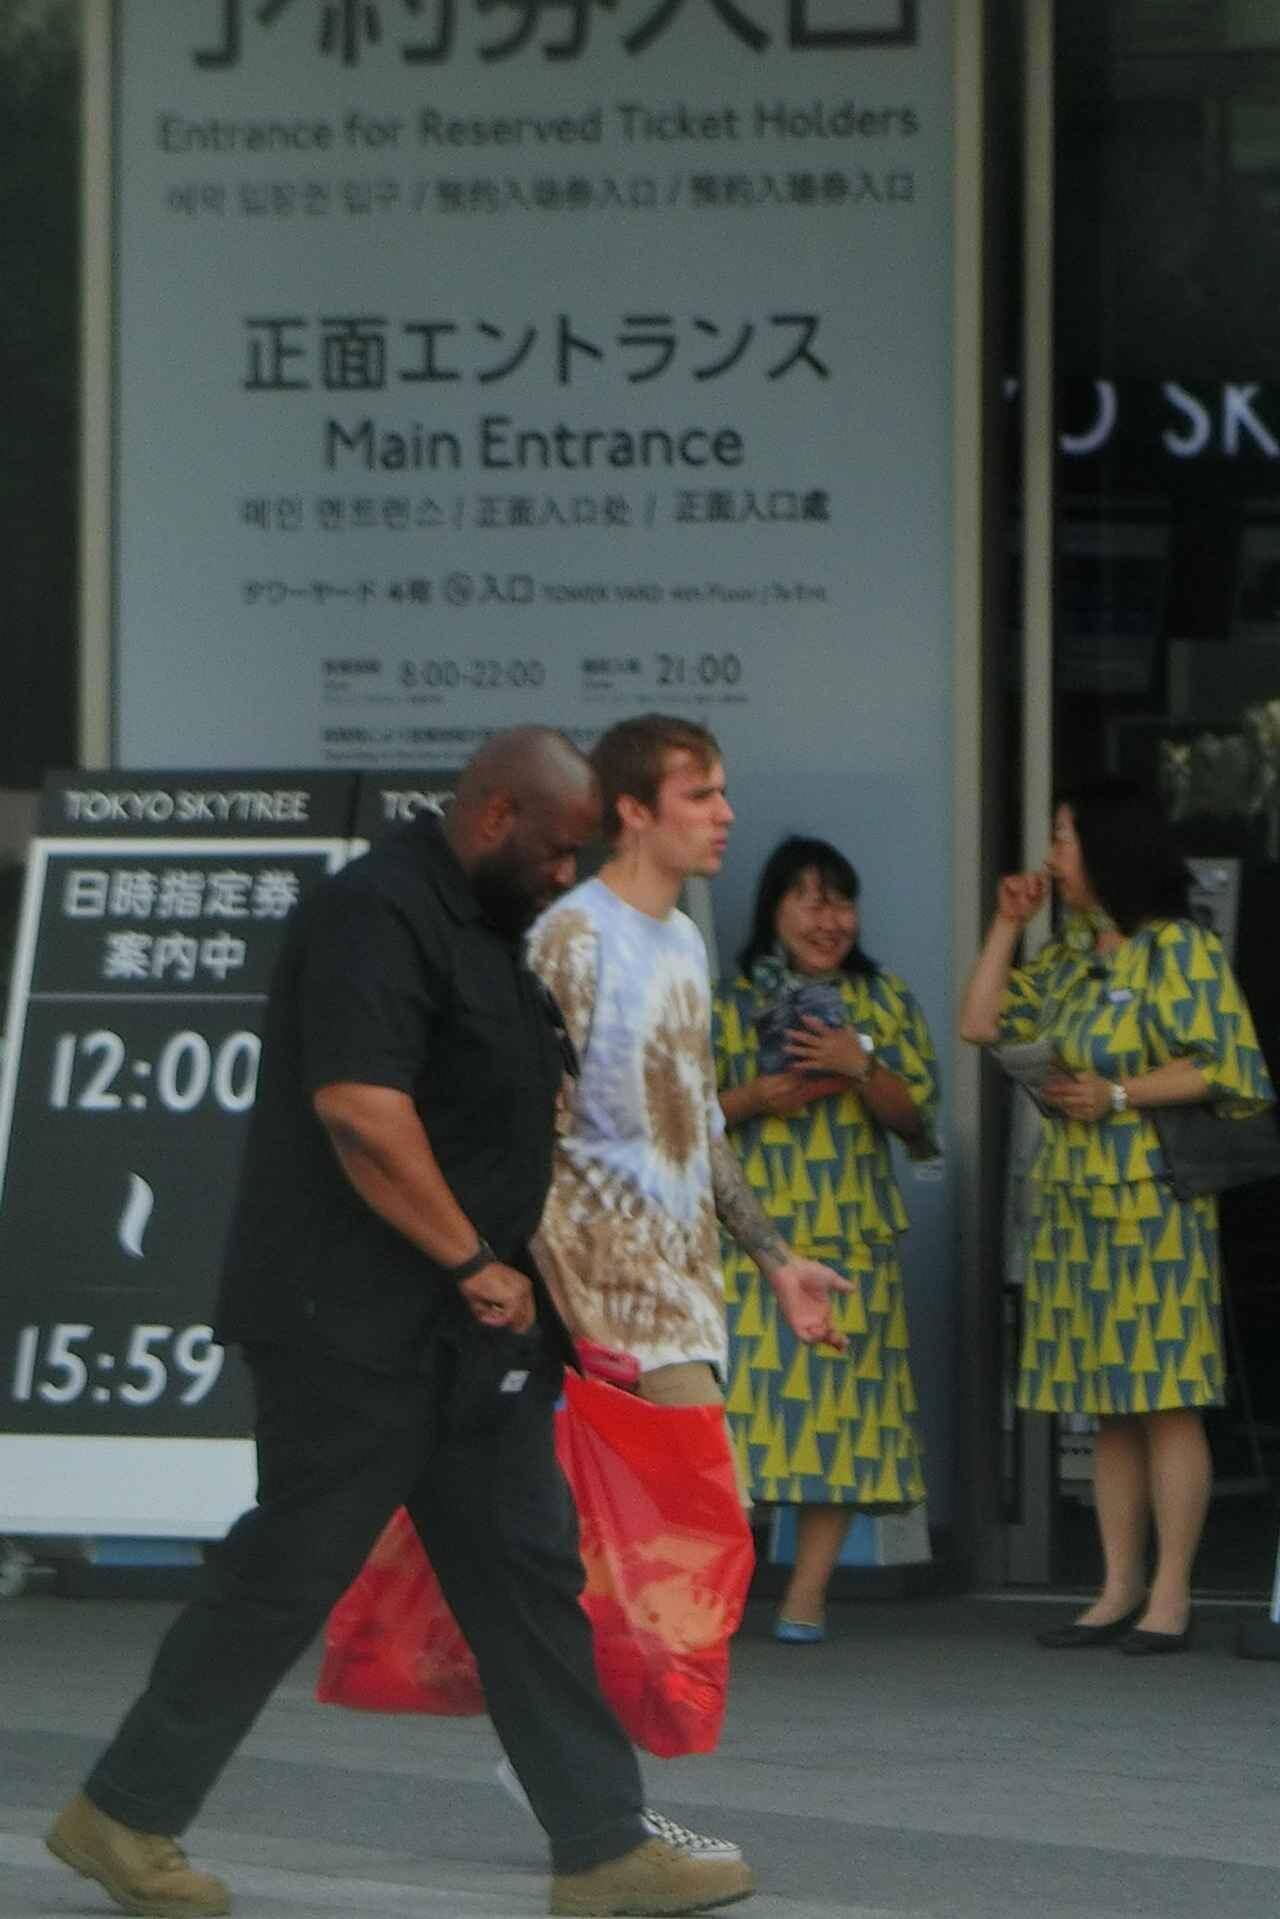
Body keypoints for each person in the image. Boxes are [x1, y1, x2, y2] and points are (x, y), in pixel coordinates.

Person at [45, 726, 754, 1919]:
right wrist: (470, 1257)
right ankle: (122, 1811)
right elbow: (362, 1111)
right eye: (556, 850)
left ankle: (601, 1847)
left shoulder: (491, 924)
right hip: (354, 1325)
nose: (566, 875)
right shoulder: (374, 913)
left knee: (527, 1574)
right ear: (493, 816)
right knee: (288, 1568)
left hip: (474, 1336)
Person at [960, 779, 1275, 1654]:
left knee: (1166, 1397)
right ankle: (1115, 1587)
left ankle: (1171, 1594)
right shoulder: (1069, 957)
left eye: (1064, 839)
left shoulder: (1179, 947)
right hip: (1072, 1200)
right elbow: (980, 1022)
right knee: (1107, 1402)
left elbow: (1232, 1066)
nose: (1052, 857)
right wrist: (1006, 925)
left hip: (1154, 1201)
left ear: (1108, 846)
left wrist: (1120, 1092)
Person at [527, 715, 850, 1442]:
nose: (724, 814)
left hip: (682, 1312)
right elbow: (528, 1127)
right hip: (607, 1322)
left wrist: (776, 1262)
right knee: (708, 1510)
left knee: (679, 1517)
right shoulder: (571, 940)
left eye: (721, 793)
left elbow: (697, 1125)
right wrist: (562, 1314)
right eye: (699, 795)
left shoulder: (682, 939)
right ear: (634, 811)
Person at [712, 836, 938, 1641]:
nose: (829, 919)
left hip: (851, 1230)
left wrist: (859, 1063)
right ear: (773, 909)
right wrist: (755, 1099)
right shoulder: (728, 999)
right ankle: (720, 1593)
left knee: (842, 1412)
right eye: (809, 900)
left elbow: (918, 1124)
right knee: (736, 1415)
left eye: (841, 901)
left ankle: (806, 1596)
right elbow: (677, 1117)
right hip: (751, 1236)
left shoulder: (885, 998)